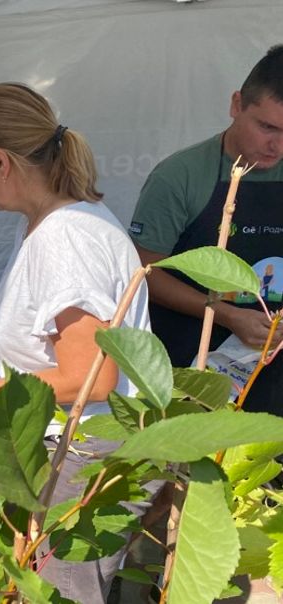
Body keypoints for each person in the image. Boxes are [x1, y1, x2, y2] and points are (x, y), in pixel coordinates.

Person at [0, 83, 152, 603]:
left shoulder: (65, 241)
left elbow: (89, 378)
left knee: (64, 591)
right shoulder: (61, 222)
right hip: (77, 445)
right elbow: (43, 334)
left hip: (82, 452)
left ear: (0, 160)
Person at [130, 45, 283, 416]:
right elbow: (143, 271)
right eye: (267, 127)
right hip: (193, 367)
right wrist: (226, 313)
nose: (277, 145)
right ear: (236, 105)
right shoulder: (179, 176)